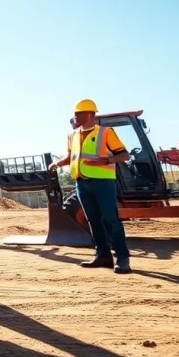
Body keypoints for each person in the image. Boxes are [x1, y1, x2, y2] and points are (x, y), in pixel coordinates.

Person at [49, 99, 132, 273]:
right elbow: (71, 157)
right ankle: (102, 255)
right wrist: (57, 164)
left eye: (78, 113)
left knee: (111, 219)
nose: (75, 117)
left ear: (90, 114)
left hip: (103, 183)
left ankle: (122, 258)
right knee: (93, 220)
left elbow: (125, 155)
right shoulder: (72, 136)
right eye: (75, 114)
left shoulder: (106, 133)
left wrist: (107, 160)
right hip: (81, 183)